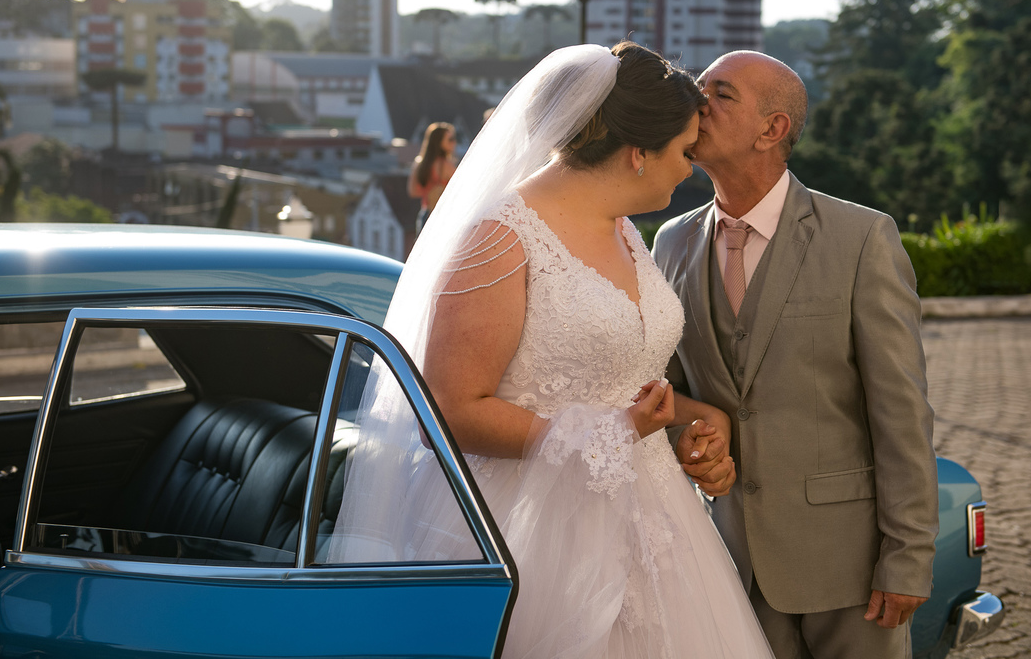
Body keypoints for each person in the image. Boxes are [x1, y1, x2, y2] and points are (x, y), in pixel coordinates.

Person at [333, 43, 775, 658]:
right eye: (683, 151)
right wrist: (610, 432)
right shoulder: (499, 239)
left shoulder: (625, 229)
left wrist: (702, 417)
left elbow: (625, 377)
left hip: (653, 524)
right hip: (529, 531)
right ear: (638, 154)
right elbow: (452, 410)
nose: (689, 168)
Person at [651, 51, 939, 659]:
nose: (697, 104)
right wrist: (693, 442)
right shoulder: (671, 242)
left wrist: (907, 558)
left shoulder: (861, 238)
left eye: (720, 94)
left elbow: (902, 412)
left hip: (848, 569)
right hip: (728, 564)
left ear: (772, 130)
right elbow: (674, 393)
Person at [408, 121, 458, 235]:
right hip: (443, 215)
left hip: (425, 212)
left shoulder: (419, 163)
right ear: (439, 142)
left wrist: (429, 190)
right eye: (450, 139)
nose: (454, 142)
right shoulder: (446, 165)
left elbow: (413, 192)